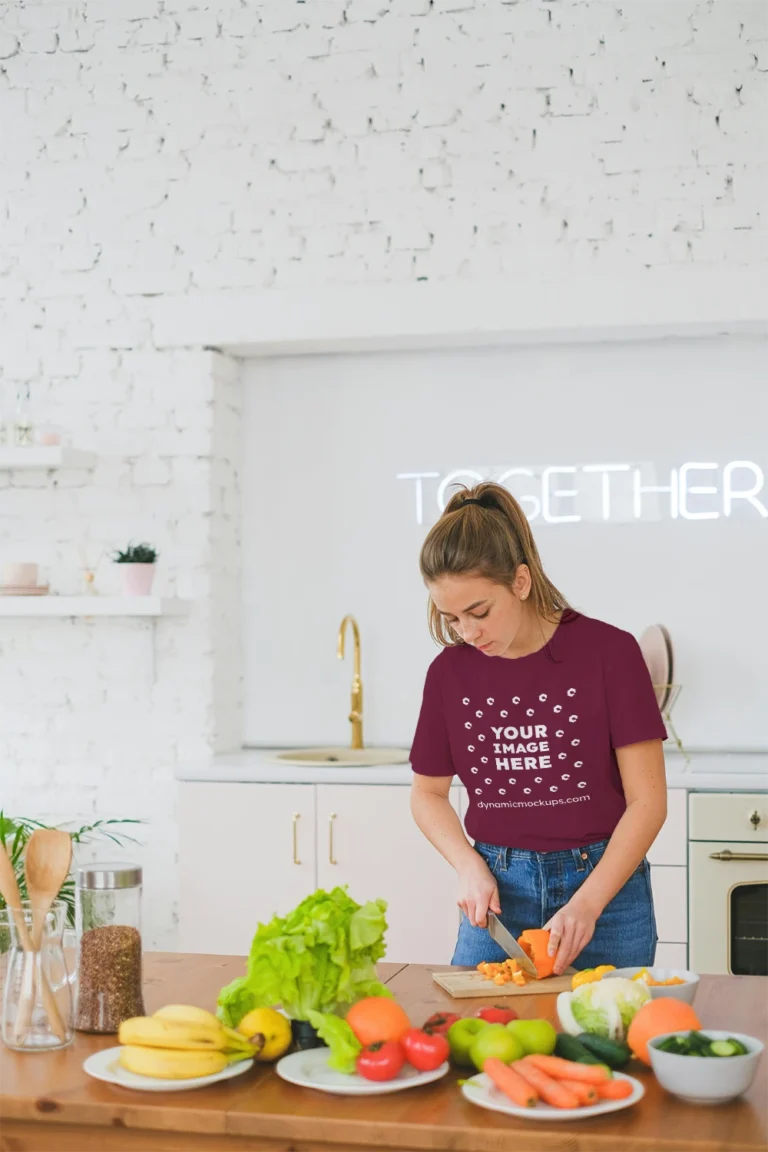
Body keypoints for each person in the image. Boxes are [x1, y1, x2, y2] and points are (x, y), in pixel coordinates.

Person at [409, 481, 667, 975]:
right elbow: (428, 794)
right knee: (481, 1041)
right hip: (500, 893)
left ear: (521, 582)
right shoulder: (449, 673)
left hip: (607, 891)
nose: (467, 632)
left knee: (607, 1041)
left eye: (478, 612)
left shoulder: (609, 654)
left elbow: (648, 802)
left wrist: (588, 904)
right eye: (452, 617)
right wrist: (467, 865)